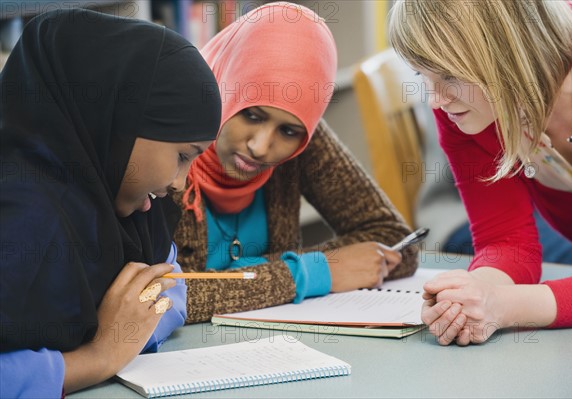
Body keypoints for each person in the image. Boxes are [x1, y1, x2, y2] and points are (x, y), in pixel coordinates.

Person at [0, 8, 221, 396]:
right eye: (183, 156)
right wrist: (98, 357)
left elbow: (172, 291)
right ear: (120, 123)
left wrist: (128, 329)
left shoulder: (130, 203)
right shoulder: (22, 217)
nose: (180, 183)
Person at [173, 2, 419, 323]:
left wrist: (254, 278)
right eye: (251, 114)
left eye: (287, 131)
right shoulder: (167, 137)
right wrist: (315, 271)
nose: (260, 147)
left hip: (278, 349)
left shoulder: (302, 136)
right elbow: (161, 299)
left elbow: (394, 240)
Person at [389, 0, 572, 345]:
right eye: (420, 74)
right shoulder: (464, 109)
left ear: (512, 45)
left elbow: (506, 305)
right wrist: (472, 297)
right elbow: (506, 241)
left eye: (449, 75)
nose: (434, 101)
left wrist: (506, 306)